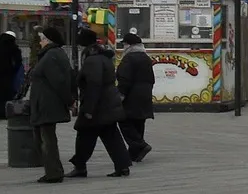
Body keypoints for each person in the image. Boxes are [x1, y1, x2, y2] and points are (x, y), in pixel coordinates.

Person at [68, 27, 132, 178]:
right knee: (111, 135)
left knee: (84, 136)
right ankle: (122, 166)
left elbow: (94, 85)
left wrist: (89, 109)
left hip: (97, 106)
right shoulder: (103, 57)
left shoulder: (92, 60)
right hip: (108, 104)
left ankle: (80, 166)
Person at [26, 26, 76, 183]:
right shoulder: (52, 54)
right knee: (44, 138)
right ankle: (52, 170)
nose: (40, 42)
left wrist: (69, 101)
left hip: (47, 104)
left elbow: (59, 82)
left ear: (48, 40)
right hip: (45, 103)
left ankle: (53, 172)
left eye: (42, 39)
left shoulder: (51, 56)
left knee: (47, 140)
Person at [116, 32, 155, 162]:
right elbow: (151, 78)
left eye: (124, 44)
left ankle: (140, 145)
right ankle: (134, 153)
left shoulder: (129, 58)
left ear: (128, 45)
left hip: (132, 95)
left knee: (124, 121)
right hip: (145, 94)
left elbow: (124, 79)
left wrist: (121, 95)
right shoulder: (145, 58)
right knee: (138, 122)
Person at [0, 29, 24, 116]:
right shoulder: (14, 49)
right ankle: (5, 112)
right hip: (8, 76)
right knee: (8, 94)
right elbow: (18, 63)